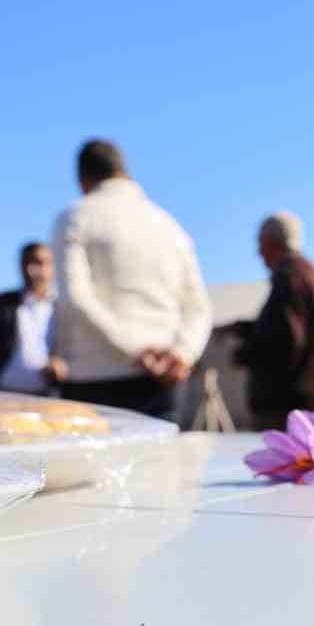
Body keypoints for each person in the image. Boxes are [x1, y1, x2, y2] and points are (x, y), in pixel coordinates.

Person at [51, 138, 212, 419]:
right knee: (161, 463)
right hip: (165, 379)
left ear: (82, 179)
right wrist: (182, 353)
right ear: (123, 169)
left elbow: (76, 297)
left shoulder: (76, 216)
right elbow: (199, 307)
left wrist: (137, 350)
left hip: (97, 379)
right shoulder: (170, 226)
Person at [228, 212, 314, 431]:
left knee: (282, 464)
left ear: (271, 242)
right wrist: (248, 329)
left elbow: (285, 340)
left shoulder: (290, 277)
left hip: (284, 409)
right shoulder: (310, 275)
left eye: (260, 244)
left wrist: (245, 354)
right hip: (302, 403)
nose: (259, 253)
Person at [0, 242, 61, 394]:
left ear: (53, 266)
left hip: (47, 397)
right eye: (26, 264)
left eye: (39, 263)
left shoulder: (63, 308)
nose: (32, 271)